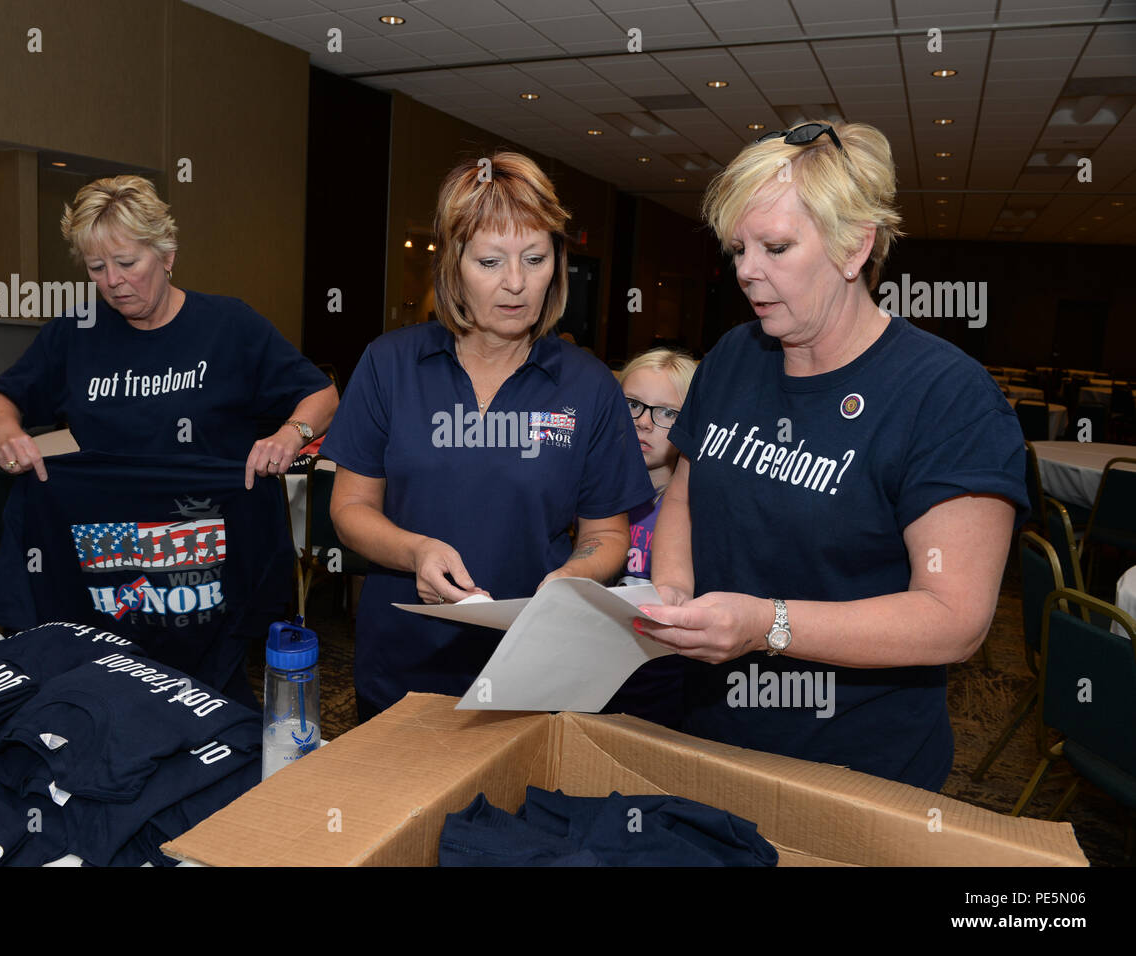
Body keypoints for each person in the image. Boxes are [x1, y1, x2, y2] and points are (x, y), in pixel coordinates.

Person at [635, 122, 1028, 790]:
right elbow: (682, 497)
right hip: (713, 732)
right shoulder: (733, 357)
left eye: (776, 247)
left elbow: (953, 620)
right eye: (738, 249)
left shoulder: (944, 396)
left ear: (855, 247)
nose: (746, 271)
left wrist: (767, 625)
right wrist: (671, 592)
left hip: (858, 764)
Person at [322, 151, 653, 721]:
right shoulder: (389, 365)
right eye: (490, 261)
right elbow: (349, 507)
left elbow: (607, 534)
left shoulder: (589, 385)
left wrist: (568, 583)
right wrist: (416, 550)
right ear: (453, 264)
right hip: (403, 663)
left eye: (535, 258)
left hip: (533, 667)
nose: (517, 284)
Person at [0, 175, 337, 487]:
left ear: (167, 257)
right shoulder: (75, 331)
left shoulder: (230, 324)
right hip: (110, 521)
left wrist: (292, 434)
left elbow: (324, 396)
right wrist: (5, 433)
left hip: (211, 521)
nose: (113, 281)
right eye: (97, 267)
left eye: (127, 263)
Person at [600, 348, 699, 729]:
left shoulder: (696, 511)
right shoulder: (593, 496)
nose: (643, 423)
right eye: (632, 405)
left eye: (667, 413)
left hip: (665, 681)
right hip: (598, 666)